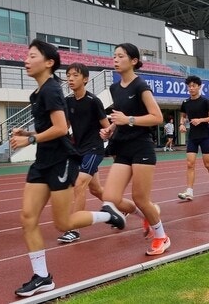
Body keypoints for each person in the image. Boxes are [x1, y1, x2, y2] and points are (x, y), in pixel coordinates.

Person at [11, 40, 125, 297]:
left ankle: (108, 215)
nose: (26, 60)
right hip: (42, 162)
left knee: (63, 222)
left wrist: (29, 139)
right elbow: (50, 127)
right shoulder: (38, 94)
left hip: (61, 160)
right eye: (26, 56)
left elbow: (61, 129)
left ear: (49, 63)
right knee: (27, 218)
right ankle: (42, 277)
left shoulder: (51, 90)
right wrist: (28, 132)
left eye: (32, 56)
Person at [100, 43, 170, 256]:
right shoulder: (114, 88)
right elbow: (120, 116)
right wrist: (111, 128)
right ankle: (148, 216)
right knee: (110, 197)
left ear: (133, 61)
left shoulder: (141, 86)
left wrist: (128, 119)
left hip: (142, 146)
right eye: (114, 56)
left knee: (140, 197)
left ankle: (161, 236)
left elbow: (156, 117)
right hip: (123, 146)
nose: (115, 59)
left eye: (120, 56)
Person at [58, 63, 136, 244]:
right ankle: (119, 208)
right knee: (96, 190)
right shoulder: (68, 102)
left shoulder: (93, 101)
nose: (70, 78)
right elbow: (66, 126)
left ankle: (74, 228)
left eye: (75, 75)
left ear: (85, 79)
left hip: (94, 149)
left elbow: (106, 126)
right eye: (68, 75)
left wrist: (113, 140)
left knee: (79, 185)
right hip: (78, 150)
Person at [177, 75, 209, 200]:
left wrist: (200, 120)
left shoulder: (205, 101)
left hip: (204, 136)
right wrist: (181, 124)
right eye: (189, 86)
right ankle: (189, 191)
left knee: (208, 164)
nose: (191, 88)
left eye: (193, 86)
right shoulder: (185, 103)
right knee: (190, 164)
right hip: (192, 137)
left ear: (199, 87)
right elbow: (183, 116)